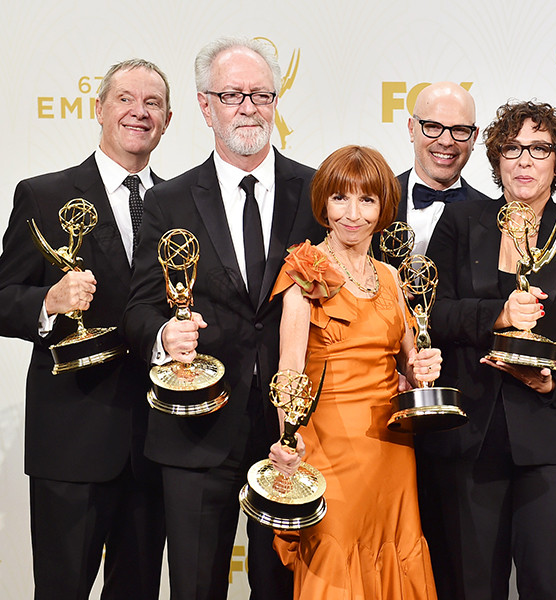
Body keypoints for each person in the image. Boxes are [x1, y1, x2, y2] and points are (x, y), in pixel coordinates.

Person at [124, 37, 324, 600]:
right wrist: (165, 335)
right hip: (195, 431)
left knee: (281, 590)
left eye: (261, 93)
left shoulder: (317, 192)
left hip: (290, 435)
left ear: (276, 102)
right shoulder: (168, 200)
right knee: (193, 586)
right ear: (205, 105)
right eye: (232, 94)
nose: (248, 106)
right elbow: (138, 307)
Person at [420, 100, 556, 599]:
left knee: (549, 587)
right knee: (470, 587)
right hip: (471, 437)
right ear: (495, 158)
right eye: (512, 148)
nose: (524, 160)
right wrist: (497, 315)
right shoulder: (460, 222)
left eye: (538, 149)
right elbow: (431, 314)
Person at [0, 58, 171, 600]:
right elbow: (2, 297)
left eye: (152, 103)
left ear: (167, 120)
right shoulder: (44, 195)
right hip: (70, 443)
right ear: (99, 110)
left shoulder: (182, 202)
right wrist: (46, 302)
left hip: (154, 444)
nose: (138, 112)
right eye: (125, 99)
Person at [267, 145, 442, 599]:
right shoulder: (304, 271)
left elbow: (407, 360)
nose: (353, 213)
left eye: (366, 200)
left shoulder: (390, 275)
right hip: (330, 447)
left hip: (391, 450)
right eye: (341, 198)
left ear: (383, 206)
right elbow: (288, 373)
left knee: (394, 552)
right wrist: (287, 442)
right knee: (335, 558)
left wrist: (423, 366)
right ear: (323, 202)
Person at [375, 81, 489, 260]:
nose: (446, 141)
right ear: (412, 129)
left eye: (459, 130)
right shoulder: (375, 200)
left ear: (474, 137)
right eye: (433, 127)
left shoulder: (492, 217)